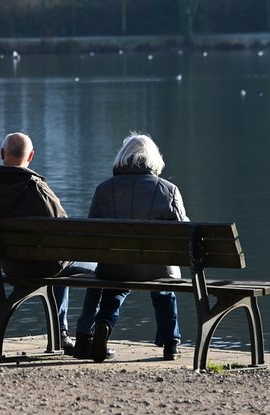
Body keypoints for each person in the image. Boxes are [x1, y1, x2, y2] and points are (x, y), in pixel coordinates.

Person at [0, 132, 101, 355]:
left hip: (6, 265)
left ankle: (60, 333)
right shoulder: (37, 189)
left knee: (59, 261)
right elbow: (64, 230)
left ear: (2, 153)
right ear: (31, 156)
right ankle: (80, 334)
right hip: (43, 266)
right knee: (100, 268)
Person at [76, 132, 188, 362]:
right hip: (157, 268)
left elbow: (92, 233)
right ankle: (170, 343)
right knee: (164, 290)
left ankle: (103, 324)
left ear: (123, 157)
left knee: (114, 288)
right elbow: (184, 233)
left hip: (115, 268)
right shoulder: (169, 190)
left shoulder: (104, 189)